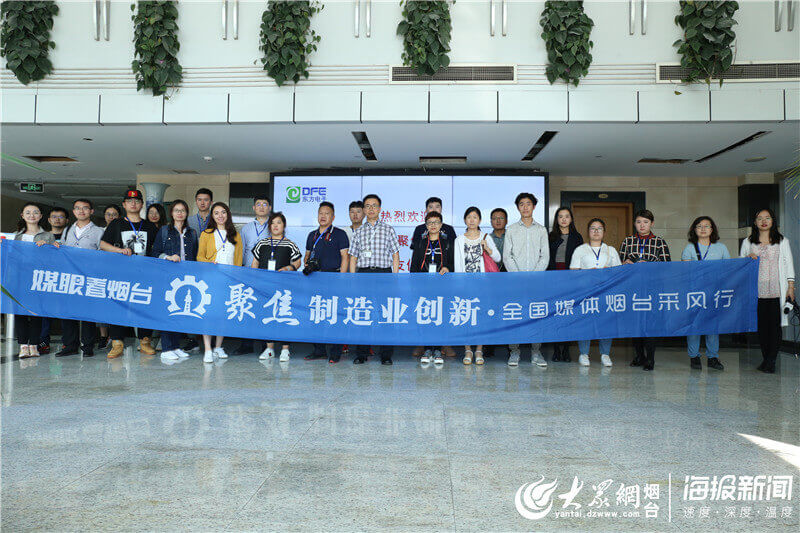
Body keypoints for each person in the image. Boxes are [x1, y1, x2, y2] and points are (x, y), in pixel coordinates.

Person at [100, 189, 160, 359]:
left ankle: (145, 341)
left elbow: (157, 250)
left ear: (142, 205)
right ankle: (117, 343)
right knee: (118, 306)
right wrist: (119, 250)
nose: (133, 204)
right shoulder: (116, 224)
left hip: (144, 275)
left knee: (144, 306)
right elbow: (103, 244)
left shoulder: (150, 226)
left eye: (137, 201)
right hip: (121, 273)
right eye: (129, 201)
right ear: (124, 205)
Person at [740, 208, 795, 374]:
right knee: (762, 326)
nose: (764, 221)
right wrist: (747, 258)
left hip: (778, 290)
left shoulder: (782, 241)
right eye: (760, 218)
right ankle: (766, 358)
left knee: (775, 326)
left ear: (773, 220)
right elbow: (741, 264)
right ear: (755, 222)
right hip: (757, 290)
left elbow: (788, 264)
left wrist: (791, 287)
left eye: (767, 218)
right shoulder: (748, 242)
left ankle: (771, 360)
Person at [348, 194, 400, 365]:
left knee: (385, 315)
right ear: (364, 210)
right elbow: (353, 257)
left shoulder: (388, 229)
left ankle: (386, 355)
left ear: (380, 209)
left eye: (374, 205)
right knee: (363, 313)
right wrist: (353, 279)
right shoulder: (359, 231)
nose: (371, 209)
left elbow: (395, 255)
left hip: (384, 274)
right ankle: (361, 353)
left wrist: (394, 278)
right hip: (363, 274)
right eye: (368, 206)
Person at [619, 209, 671, 371]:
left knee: (650, 323)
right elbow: (618, 265)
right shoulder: (627, 241)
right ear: (634, 223)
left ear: (652, 223)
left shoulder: (659, 242)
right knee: (635, 323)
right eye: (639, 222)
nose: (642, 225)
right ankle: (639, 356)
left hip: (652, 288)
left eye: (646, 222)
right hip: (632, 288)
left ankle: (650, 358)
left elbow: (667, 267)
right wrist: (625, 264)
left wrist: (649, 266)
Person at [503, 192, 550, 367]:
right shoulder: (511, 229)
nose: (525, 207)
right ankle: (514, 351)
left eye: (528, 204)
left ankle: (536, 352)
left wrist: (533, 276)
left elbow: (545, 256)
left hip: (536, 282)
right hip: (515, 281)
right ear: (517, 207)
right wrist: (519, 276)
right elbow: (507, 256)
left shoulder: (541, 230)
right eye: (521, 204)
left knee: (536, 316)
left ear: (534, 206)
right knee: (515, 315)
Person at [54, 199, 105, 357]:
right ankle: (70, 345)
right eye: (77, 208)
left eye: (85, 208)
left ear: (91, 211)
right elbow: (62, 250)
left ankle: (88, 346)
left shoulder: (99, 231)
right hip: (69, 278)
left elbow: (103, 255)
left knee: (87, 313)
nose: (81, 211)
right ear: (74, 211)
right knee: (68, 311)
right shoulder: (67, 230)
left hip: (89, 277)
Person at [151, 200, 199, 361]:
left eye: (183, 210)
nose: (180, 213)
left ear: (186, 213)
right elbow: (155, 253)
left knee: (180, 312)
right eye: (176, 210)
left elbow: (195, 256)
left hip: (186, 279)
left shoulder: (192, 233)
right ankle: (166, 348)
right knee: (167, 312)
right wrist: (168, 257)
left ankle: (176, 346)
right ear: (171, 213)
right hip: (168, 277)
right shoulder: (164, 231)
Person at [570, 218, 621, 367]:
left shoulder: (610, 250)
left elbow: (619, 273)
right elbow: (573, 273)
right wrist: (588, 273)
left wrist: (608, 272)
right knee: (585, 322)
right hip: (586, 293)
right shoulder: (580, 250)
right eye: (593, 228)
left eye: (599, 228)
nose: (596, 231)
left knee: (606, 323)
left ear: (604, 232)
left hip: (606, 293)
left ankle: (605, 354)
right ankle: (583, 353)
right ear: (588, 232)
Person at [251, 212, 302, 362]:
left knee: (284, 316)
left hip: (284, 287)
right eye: (272, 223)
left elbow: (298, 262)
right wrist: (254, 280)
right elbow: (255, 263)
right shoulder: (262, 243)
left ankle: (285, 349)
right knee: (267, 315)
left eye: (278, 222)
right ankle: (269, 349)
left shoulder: (289, 244)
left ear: (284, 226)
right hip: (265, 287)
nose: (275, 226)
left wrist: (288, 268)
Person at [681, 216, 730, 371]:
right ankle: (694, 356)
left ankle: (712, 357)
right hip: (694, 293)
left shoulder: (721, 248)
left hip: (714, 292)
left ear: (712, 229)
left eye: (706, 226)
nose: (703, 229)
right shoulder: (690, 248)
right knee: (694, 325)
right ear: (694, 230)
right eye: (699, 226)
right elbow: (685, 272)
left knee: (712, 326)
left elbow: (728, 269)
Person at [303, 202, 350, 363]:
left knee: (335, 316)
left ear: (333, 217)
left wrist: (342, 279)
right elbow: (307, 255)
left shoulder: (339, 234)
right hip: (315, 279)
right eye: (320, 213)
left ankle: (336, 352)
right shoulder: (312, 235)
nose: (323, 216)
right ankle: (319, 350)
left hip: (334, 278)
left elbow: (345, 257)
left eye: (327, 213)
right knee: (317, 315)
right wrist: (308, 264)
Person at [455, 207, 501, 366]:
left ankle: (479, 350)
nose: (472, 220)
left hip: (483, 285)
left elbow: (497, 257)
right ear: (465, 220)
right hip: (466, 284)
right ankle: (468, 349)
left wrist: (487, 248)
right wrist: (459, 285)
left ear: (479, 220)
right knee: (466, 316)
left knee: (481, 316)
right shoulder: (459, 240)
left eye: (475, 217)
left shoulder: (486, 237)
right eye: (469, 217)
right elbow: (457, 265)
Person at [198, 202, 243, 363]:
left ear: (228, 214)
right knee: (209, 313)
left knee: (223, 314)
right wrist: (209, 263)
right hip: (211, 280)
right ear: (212, 216)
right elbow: (199, 257)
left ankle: (218, 346)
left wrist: (235, 279)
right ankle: (207, 349)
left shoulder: (235, 235)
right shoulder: (206, 234)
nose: (220, 216)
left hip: (228, 281)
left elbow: (238, 260)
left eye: (223, 212)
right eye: (216, 213)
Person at [411, 211, 454, 366]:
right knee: (426, 316)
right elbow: (414, 265)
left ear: (441, 225)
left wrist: (448, 268)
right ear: (426, 225)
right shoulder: (420, 243)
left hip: (442, 285)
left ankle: (438, 350)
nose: (433, 225)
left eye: (436, 222)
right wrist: (415, 284)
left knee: (440, 317)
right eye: (430, 222)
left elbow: (453, 263)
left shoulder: (447, 243)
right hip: (424, 286)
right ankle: (427, 349)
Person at [13, 203, 55, 359]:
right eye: (28, 212)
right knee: (20, 313)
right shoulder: (15, 236)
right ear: (22, 215)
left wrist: (47, 248)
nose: (32, 215)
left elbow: (53, 259)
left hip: (39, 279)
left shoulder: (48, 236)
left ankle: (34, 345)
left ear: (41, 216)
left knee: (37, 313)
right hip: (19, 279)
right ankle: (23, 346)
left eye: (35, 212)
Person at [547, 206, 584, 362]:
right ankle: (556, 350)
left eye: (566, 216)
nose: (563, 219)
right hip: (554, 277)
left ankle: (566, 350)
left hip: (571, 278)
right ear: (557, 219)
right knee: (556, 314)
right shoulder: (551, 236)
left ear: (571, 219)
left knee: (568, 314)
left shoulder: (577, 237)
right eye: (560, 216)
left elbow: (580, 259)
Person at [38, 206, 70, 353]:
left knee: (65, 312)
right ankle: (43, 341)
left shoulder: (71, 237)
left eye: (61, 217)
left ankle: (68, 342)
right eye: (54, 217)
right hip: (47, 279)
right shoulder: (41, 237)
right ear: (49, 220)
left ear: (67, 220)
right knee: (44, 312)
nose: (57, 219)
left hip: (66, 279)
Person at [97, 204, 122, 349]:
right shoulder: (99, 232)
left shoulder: (121, 230)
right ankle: (103, 335)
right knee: (102, 305)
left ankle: (115, 335)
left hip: (118, 273)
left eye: (114, 214)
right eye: (108, 214)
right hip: (102, 273)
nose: (111, 217)